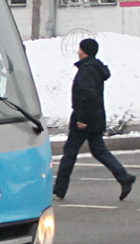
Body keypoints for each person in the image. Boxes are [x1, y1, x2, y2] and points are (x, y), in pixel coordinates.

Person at [53, 38, 135, 201]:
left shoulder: (87, 70)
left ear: (85, 51)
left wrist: (81, 119)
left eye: (80, 49)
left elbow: (87, 95)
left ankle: (60, 188)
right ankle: (123, 177)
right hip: (96, 116)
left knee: (70, 152)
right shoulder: (95, 68)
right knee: (98, 150)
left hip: (84, 118)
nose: (78, 52)